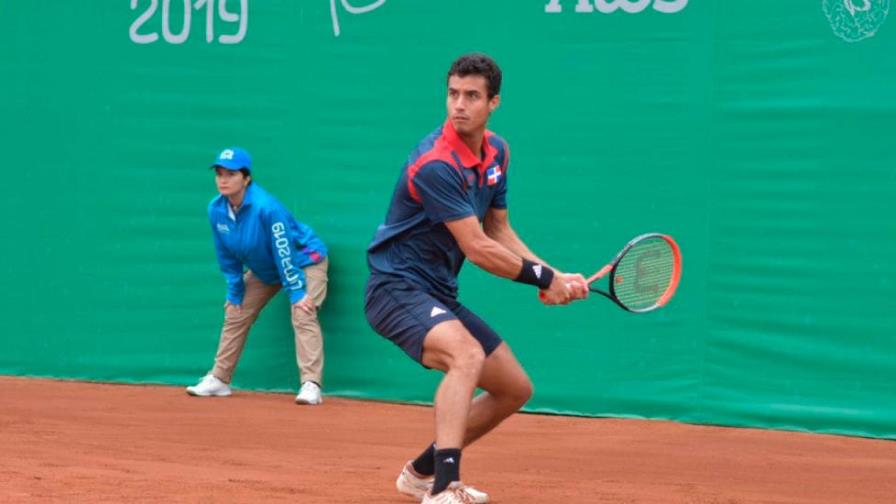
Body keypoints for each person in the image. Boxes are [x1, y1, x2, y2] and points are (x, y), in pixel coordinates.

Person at [364, 54, 588, 504]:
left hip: (437, 292)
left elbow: (499, 229)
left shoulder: (497, 153)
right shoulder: (435, 164)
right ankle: (445, 488)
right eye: (452, 94)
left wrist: (554, 275)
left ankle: (420, 473)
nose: (459, 105)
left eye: (471, 96)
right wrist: (543, 278)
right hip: (395, 288)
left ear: (493, 103)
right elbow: (478, 247)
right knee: (465, 355)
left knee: (513, 388)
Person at [186, 147, 329, 405]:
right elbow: (225, 255)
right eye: (219, 173)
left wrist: (297, 292)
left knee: (303, 310)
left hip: (304, 260)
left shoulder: (266, 208)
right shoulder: (216, 209)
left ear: (246, 178)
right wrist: (235, 289)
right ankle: (219, 379)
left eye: (230, 174)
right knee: (235, 310)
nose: (223, 179)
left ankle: (311, 385)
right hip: (266, 267)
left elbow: (284, 251)